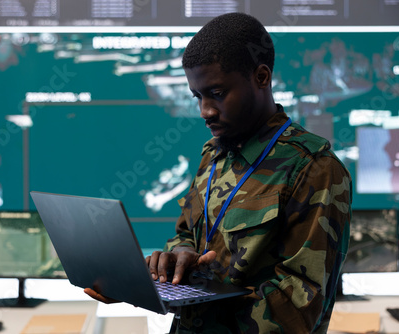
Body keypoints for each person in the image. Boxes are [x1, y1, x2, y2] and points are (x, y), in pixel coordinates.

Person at [86, 12, 352, 333]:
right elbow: (187, 235)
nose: (205, 111)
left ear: (262, 77)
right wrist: (175, 263)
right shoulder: (214, 153)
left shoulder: (314, 167)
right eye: (197, 96)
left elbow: (299, 305)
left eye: (217, 93)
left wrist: (193, 299)